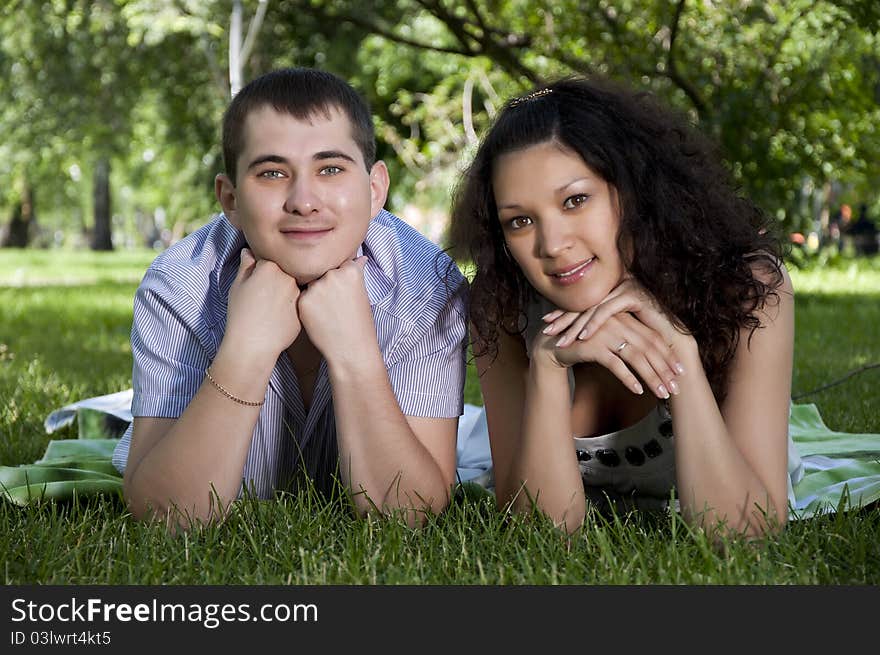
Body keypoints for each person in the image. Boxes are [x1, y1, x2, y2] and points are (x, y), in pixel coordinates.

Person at [112, 68, 467, 529]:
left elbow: (408, 514)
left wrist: (355, 353)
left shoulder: (428, 286)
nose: (304, 200)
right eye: (273, 172)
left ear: (375, 189)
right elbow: (167, 517)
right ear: (231, 199)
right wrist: (245, 351)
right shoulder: (178, 285)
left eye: (331, 169)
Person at [448, 77, 795, 537]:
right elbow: (537, 532)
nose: (552, 245)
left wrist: (682, 358)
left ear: (631, 192)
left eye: (575, 200)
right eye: (521, 221)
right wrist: (548, 366)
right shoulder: (504, 304)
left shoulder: (745, 287)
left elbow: (745, 532)